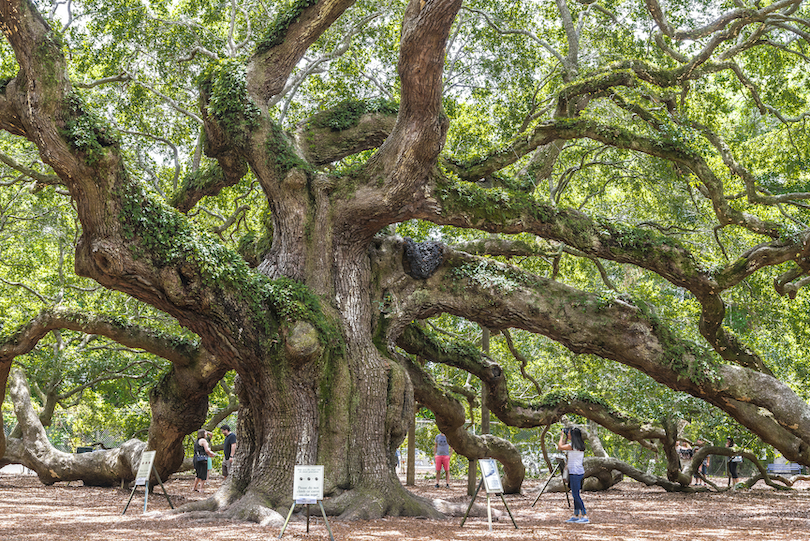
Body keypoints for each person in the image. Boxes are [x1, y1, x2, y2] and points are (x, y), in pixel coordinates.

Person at [557, 427, 589, 524]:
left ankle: (584, 515)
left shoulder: (572, 446)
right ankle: (575, 515)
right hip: (577, 472)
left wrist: (562, 436)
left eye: (569, 434)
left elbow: (560, 447)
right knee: (575, 494)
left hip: (575, 472)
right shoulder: (579, 445)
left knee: (576, 495)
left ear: (573, 436)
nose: (568, 435)